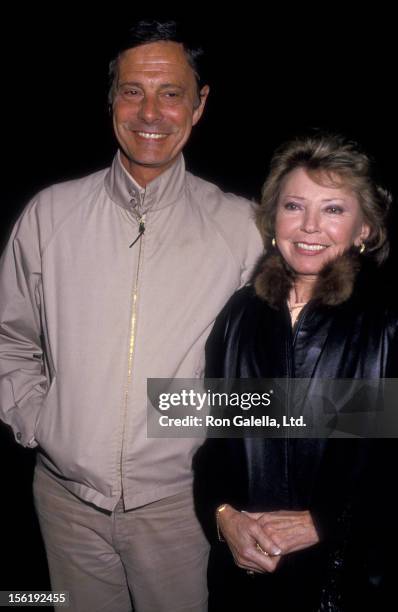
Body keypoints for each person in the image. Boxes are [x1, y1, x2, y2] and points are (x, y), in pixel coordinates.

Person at [0, 20, 262, 612]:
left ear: (199, 105)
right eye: (132, 90)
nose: (150, 112)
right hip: (64, 505)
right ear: (110, 99)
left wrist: (182, 426)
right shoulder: (49, 214)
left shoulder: (244, 229)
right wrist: (42, 423)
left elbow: (286, 379)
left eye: (171, 93)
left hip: (182, 511)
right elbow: (9, 339)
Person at [193, 133, 397, 611]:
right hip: (246, 577)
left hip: (343, 581)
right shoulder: (240, 314)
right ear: (272, 219)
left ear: (364, 228)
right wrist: (224, 515)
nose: (309, 226)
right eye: (293, 206)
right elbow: (218, 440)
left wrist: (326, 521)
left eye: (333, 210)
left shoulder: (386, 320)